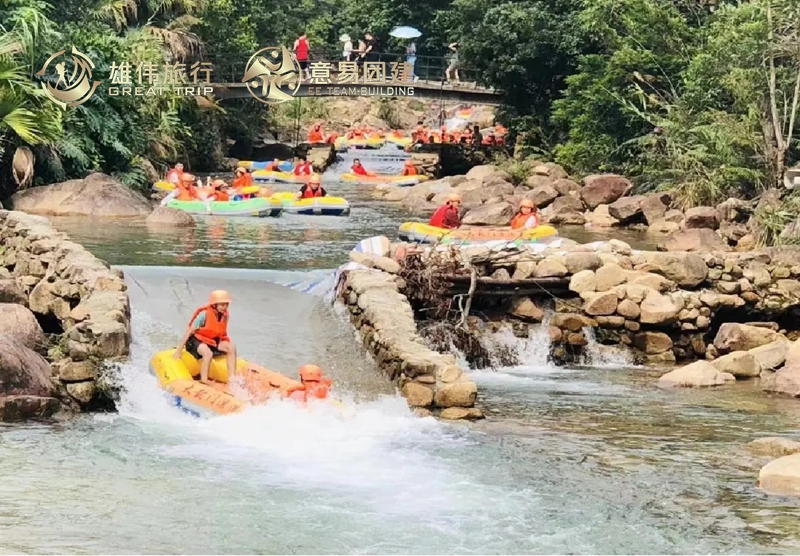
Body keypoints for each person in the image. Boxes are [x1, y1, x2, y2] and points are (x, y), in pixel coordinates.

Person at [174, 290, 237, 385]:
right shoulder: (204, 315)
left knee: (231, 347)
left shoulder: (224, 315)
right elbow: (189, 331)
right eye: (222, 305)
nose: (225, 307)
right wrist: (179, 350)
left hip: (212, 341)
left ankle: (232, 379)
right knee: (208, 353)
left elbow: (221, 333)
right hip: (196, 342)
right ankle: (204, 380)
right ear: (214, 304)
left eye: (226, 304)